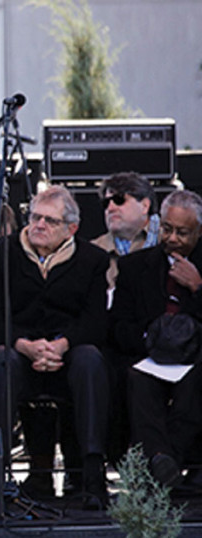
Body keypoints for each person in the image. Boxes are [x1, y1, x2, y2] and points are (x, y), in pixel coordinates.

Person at [0, 185, 111, 509]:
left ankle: (93, 474)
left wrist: (61, 345)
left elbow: (96, 322)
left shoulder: (92, 259)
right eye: (35, 217)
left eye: (50, 221)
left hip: (68, 351)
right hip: (20, 350)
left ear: (71, 229)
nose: (38, 225)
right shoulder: (0, 254)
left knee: (91, 359)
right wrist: (25, 345)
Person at [110, 190, 202, 487]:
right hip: (149, 354)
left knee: (194, 381)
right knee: (138, 379)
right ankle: (163, 458)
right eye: (166, 229)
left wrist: (198, 287)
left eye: (182, 232)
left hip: (196, 355)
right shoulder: (134, 267)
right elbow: (119, 325)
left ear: (198, 232)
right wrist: (151, 340)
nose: (172, 238)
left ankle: (165, 462)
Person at [92, 171, 159, 291]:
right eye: (106, 203)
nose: (110, 208)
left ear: (145, 206)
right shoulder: (94, 251)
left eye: (119, 200)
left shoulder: (171, 239)